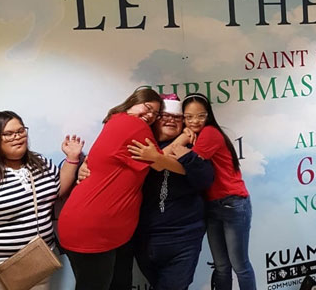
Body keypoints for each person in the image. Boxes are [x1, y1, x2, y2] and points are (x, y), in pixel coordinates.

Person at [57, 88, 164, 290]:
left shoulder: (114, 122)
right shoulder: (133, 124)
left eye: (156, 114)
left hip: (103, 229)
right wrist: (184, 139)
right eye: (148, 107)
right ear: (132, 102)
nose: (150, 115)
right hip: (93, 229)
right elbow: (160, 162)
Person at [0, 111, 84, 289]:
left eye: (20, 131)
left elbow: (58, 189)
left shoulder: (39, 162)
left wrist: (72, 159)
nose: (17, 137)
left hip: (38, 264)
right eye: (8, 134)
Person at [128, 93, 215, 290]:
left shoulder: (195, 145)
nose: (170, 120)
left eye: (177, 117)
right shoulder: (140, 144)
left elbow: (205, 179)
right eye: (164, 116)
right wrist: (84, 166)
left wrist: (183, 148)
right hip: (144, 237)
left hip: (183, 237)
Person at [172, 92, 256, 290]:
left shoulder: (210, 133)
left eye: (200, 116)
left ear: (208, 115)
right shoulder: (198, 135)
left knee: (240, 265)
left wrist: (181, 140)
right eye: (188, 117)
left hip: (232, 203)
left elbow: (186, 161)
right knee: (221, 266)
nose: (195, 121)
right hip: (212, 205)